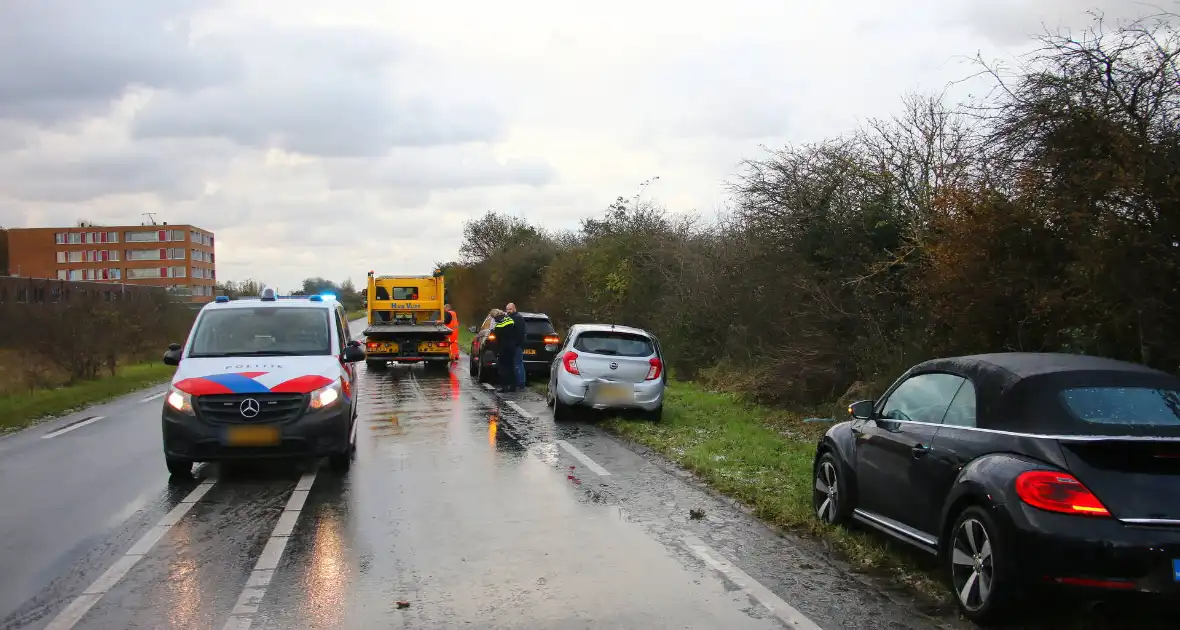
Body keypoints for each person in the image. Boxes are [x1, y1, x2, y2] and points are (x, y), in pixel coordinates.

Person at [491, 308, 518, 392]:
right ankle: (513, 386)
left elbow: (496, 339)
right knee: (511, 366)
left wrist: (495, 350)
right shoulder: (510, 319)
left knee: (502, 368)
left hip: (503, 348)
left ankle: (504, 387)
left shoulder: (499, 324)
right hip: (512, 347)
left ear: (495, 316)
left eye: (493, 317)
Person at [505, 302, 526, 388]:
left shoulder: (517, 318)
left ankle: (521, 382)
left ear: (514, 309)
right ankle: (517, 382)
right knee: (516, 364)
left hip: (517, 345)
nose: (508, 311)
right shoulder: (511, 318)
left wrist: (515, 344)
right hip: (514, 345)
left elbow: (519, 333)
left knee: (518, 364)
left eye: (510, 309)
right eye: (507, 309)